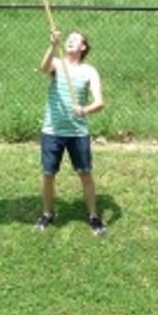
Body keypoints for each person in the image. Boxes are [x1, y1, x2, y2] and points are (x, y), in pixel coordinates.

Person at [35, 28, 106, 235]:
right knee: (48, 174)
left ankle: (94, 217)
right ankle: (47, 214)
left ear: (83, 47)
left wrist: (84, 110)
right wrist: (52, 45)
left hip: (77, 132)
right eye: (68, 38)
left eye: (76, 39)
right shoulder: (57, 64)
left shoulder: (89, 71)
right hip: (52, 131)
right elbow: (44, 67)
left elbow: (100, 102)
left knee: (85, 173)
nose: (70, 41)